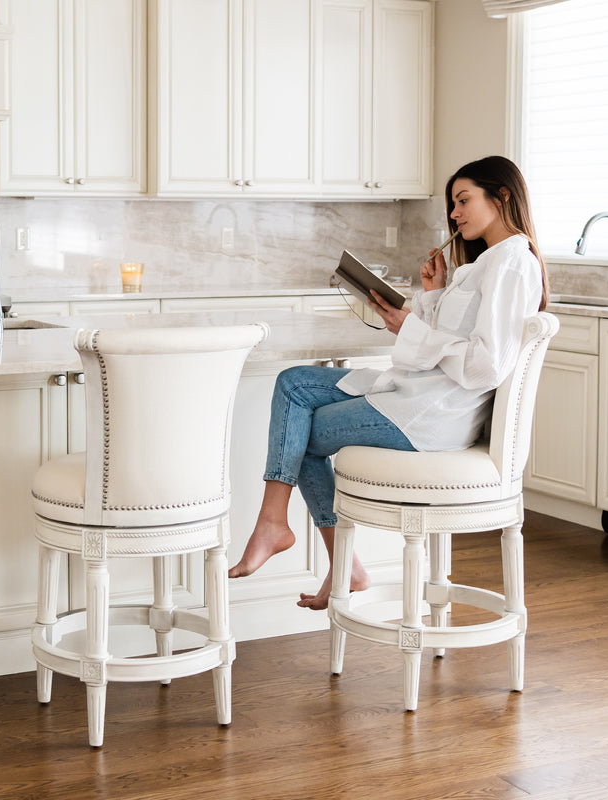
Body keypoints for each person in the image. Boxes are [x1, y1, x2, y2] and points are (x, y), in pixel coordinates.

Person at [228, 155, 550, 610]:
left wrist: (412, 327)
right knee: (294, 382)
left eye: (463, 200)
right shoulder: (487, 263)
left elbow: (485, 367)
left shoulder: (513, 264)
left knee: (295, 436)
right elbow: (453, 340)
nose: (454, 213)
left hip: (435, 414)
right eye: (452, 204)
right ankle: (292, 534)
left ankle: (299, 540)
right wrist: (433, 296)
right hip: (419, 395)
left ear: (502, 196)